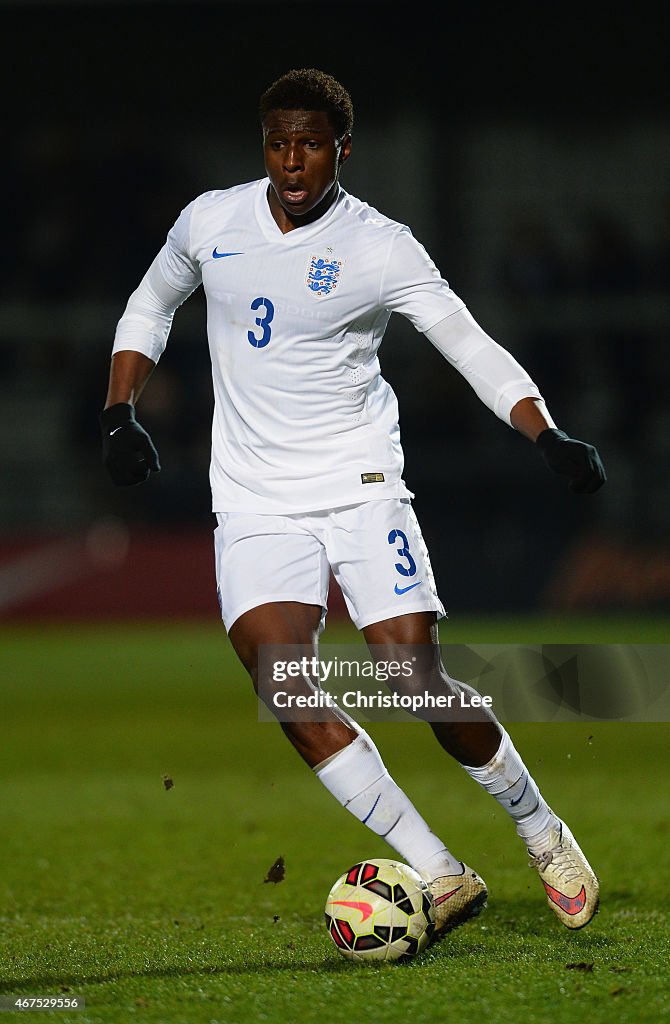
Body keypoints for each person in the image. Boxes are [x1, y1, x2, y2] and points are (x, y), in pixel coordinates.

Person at [100, 68, 605, 936]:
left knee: (412, 678)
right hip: (257, 499)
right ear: (264, 144)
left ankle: (540, 828)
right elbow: (150, 303)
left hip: (359, 485)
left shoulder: (381, 245)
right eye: (278, 143)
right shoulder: (210, 220)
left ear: (342, 148)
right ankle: (442, 872)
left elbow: (468, 345)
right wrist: (119, 412)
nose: (292, 162)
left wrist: (546, 433)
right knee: (286, 687)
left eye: (310, 144)